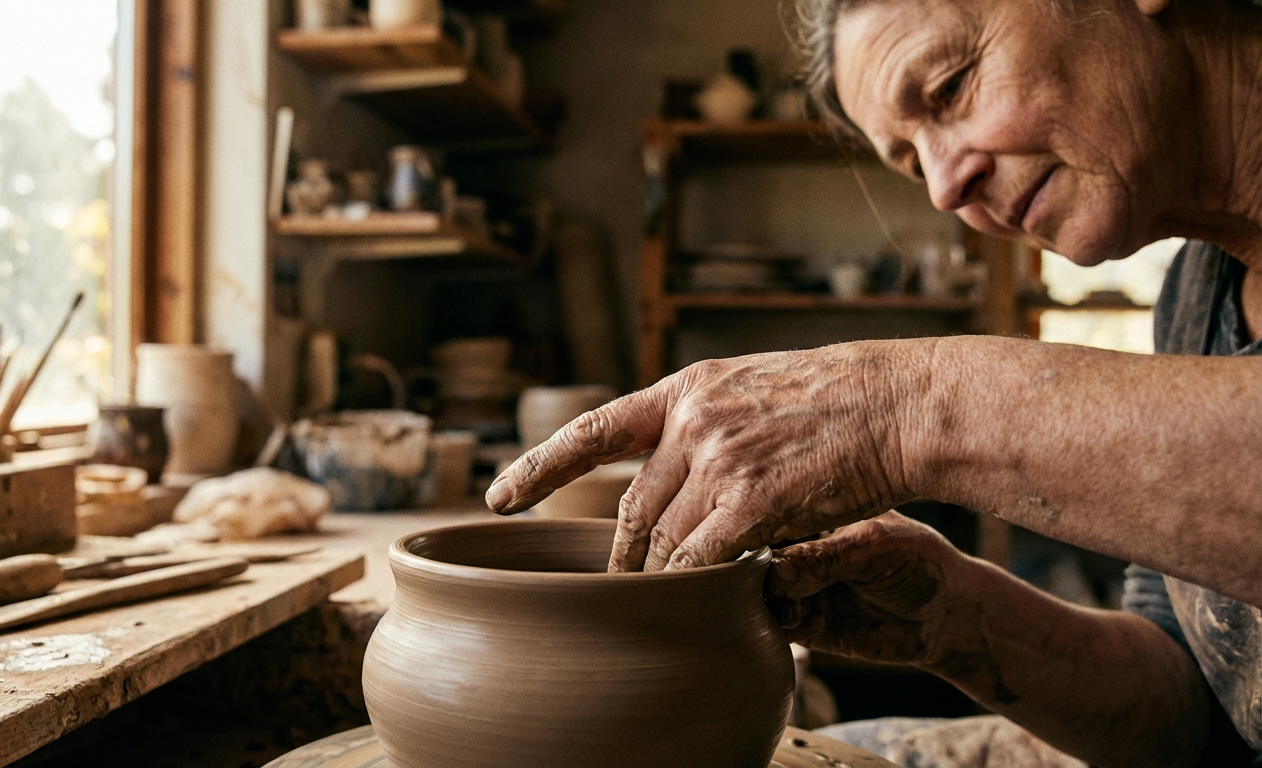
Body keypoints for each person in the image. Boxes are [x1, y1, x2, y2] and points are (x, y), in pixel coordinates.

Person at [487, 0, 1262, 765]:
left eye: (951, 86)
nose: (945, 189)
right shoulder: (1196, 299)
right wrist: (956, 619)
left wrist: (907, 410)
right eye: (911, 159)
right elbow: (1197, 705)